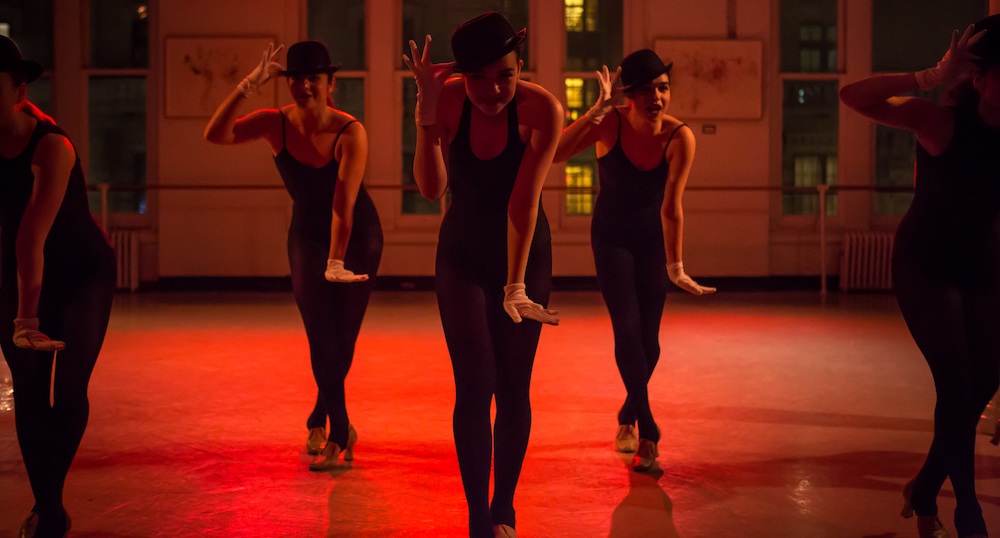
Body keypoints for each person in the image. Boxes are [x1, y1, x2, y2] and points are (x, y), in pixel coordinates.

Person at [840, 16, 1000, 538]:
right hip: (925, 266)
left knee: (986, 379)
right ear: (980, 78)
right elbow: (853, 97)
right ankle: (968, 510)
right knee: (955, 381)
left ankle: (926, 485)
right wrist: (926, 77)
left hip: (980, 268)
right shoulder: (943, 124)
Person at [403, 12, 560, 538]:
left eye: (506, 75)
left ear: (522, 68)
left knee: (514, 385)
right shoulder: (446, 101)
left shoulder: (542, 108)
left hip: (525, 253)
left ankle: (504, 510)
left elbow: (524, 203)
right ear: (461, 76)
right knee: (475, 383)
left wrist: (516, 284)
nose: (493, 90)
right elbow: (429, 189)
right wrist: (425, 118)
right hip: (462, 254)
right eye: (478, 78)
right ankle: (476, 519)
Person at [204, 40, 383, 471]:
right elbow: (215, 134)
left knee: (342, 339)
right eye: (296, 79)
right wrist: (248, 84)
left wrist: (337, 262)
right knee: (319, 334)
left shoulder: (350, 130)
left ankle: (320, 417)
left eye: (313, 79)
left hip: (357, 236)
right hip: (307, 234)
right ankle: (340, 432)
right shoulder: (274, 123)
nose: (304, 86)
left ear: (330, 83)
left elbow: (344, 205)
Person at [554, 49, 715, 473]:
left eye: (662, 87)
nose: (656, 97)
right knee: (626, 329)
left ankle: (627, 412)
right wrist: (594, 111)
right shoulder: (612, 123)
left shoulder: (680, 137)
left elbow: (672, 208)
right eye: (645, 90)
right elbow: (555, 154)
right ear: (628, 96)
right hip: (610, 239)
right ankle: (648, 430)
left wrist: (676, 266)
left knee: (649, 342)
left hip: (649, 242)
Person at [0, 35, 116, 537]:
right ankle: (49, 510)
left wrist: (26, 319)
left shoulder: (51, 145)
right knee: (28, 391)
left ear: (19, 90)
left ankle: (49, 506)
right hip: (18, 270)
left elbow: (32, 237)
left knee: (68, 389)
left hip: (81, 273)